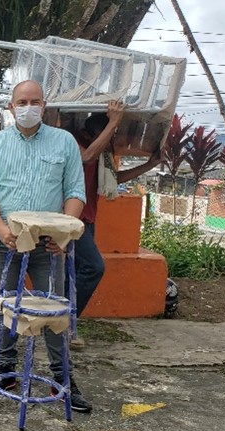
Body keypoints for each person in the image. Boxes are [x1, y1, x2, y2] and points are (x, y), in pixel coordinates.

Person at [0, 80, 92, 413]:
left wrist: (63, 233)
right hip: (6, 242)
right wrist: (1, 229)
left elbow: (75, 192)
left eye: (35, 101)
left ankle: (63, 376)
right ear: (11, 107)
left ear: (45, 105)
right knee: (7, 307)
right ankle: (6, 368)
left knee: (54, 311)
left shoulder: (64, 142)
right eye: (22, 102)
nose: (28, 107)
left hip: (48, 246)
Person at [70, 101, 163, 321]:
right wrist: (113, 121)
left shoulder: (103, 154)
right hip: (73, 218)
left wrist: (149, 165)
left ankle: (63, 322)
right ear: (88, 134)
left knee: (74, 271)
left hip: (88, 218)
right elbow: (86, 157)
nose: (109, 141)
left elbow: (114, 179)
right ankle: (66, 318)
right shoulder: (77, 144)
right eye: (105, 135)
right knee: (94, 267)